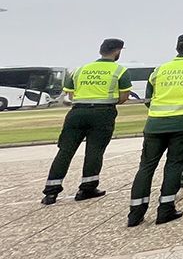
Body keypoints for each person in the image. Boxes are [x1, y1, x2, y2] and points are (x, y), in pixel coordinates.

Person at [127, 33, 183, 227]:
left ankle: (135, 213)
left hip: (155, 123)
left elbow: (148, 99)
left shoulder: (160, 69)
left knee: (146, 166)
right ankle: (165, 209)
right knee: (174, 165)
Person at [42, 38, 131, 205]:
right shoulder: (119, 70)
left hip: (77, 112)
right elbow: (123, 97)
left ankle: (51, 192)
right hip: (102, 113)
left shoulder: (79, 70)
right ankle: (87, 187)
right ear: (118, 51)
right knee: (95, 151)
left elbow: (70, 95)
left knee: (65, 151)